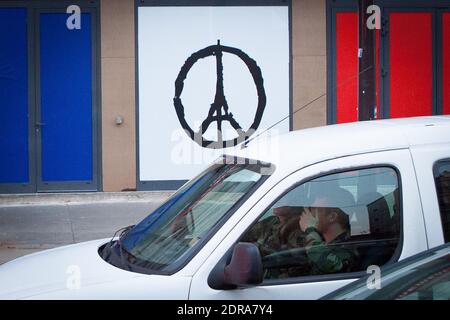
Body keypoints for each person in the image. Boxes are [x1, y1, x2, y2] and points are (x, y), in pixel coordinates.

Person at [299, 188, 358, 275]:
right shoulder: (323, 241)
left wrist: (310, 229)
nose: (309, 213)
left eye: (314, 209)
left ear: (332, 217)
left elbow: (333, 266)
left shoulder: (349, 248)